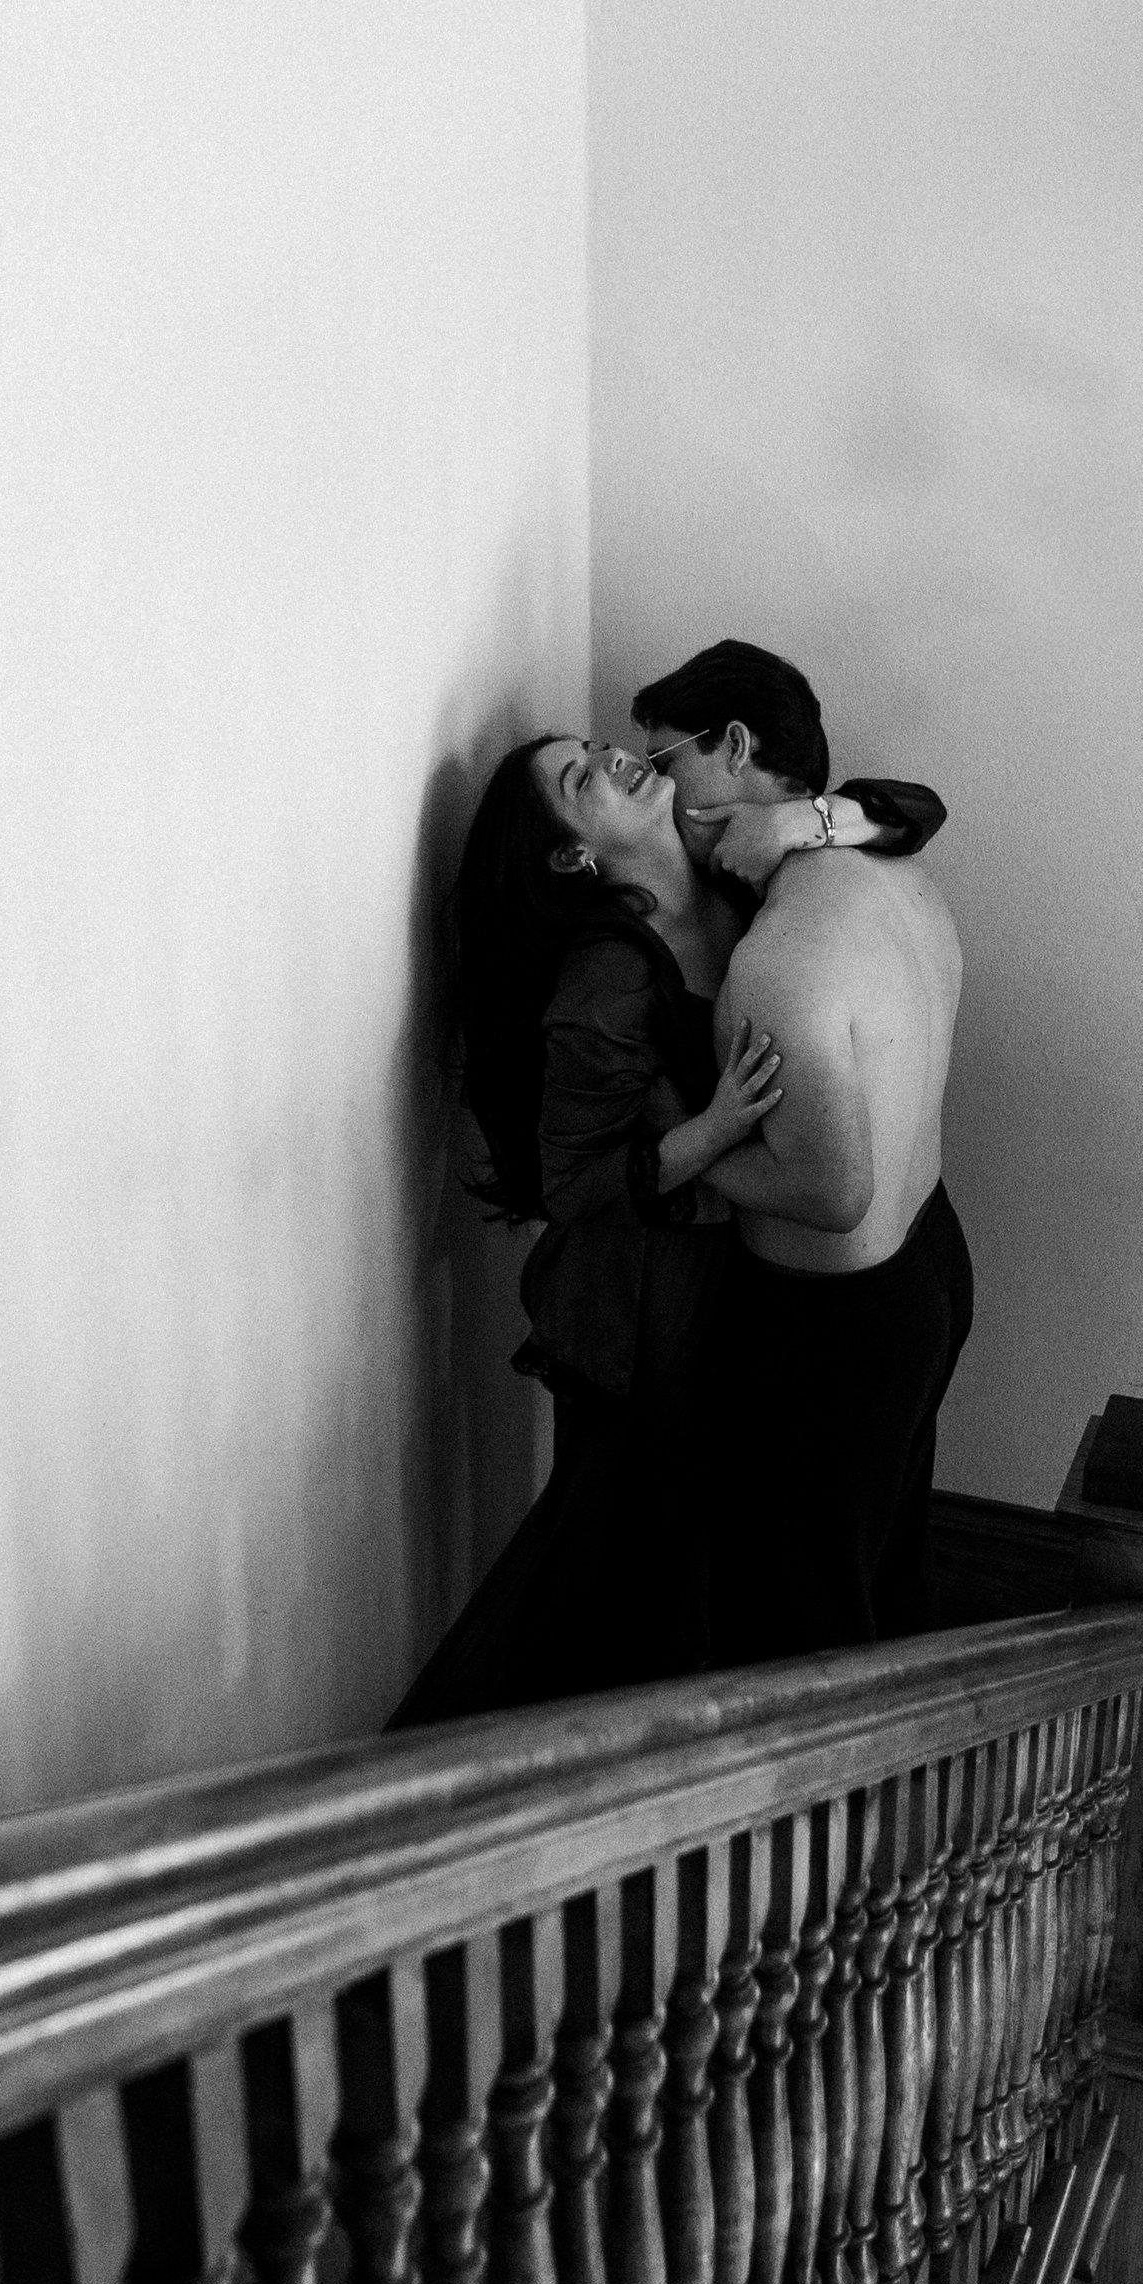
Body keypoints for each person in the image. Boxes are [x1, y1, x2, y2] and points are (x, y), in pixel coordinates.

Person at [392, 730, 920, 1720]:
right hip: (642, 1312)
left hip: (730, 1276)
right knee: (639, 1568)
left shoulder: (735, 872)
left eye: (595, 744)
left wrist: (802, 819)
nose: (610, 756)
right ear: (571, 854)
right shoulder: (608, 979)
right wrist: (715, 1131)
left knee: (716, 1555)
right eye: (577, 778)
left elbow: (910, 809)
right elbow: (572, 1183)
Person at [627, 642, 970, 1663]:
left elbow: (825, 1191)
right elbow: (910, 806)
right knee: (882, 1581)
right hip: (930, 1261)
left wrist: (679, 1146)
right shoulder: (889, 867)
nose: (659, 790)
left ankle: (838, 1823)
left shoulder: (784, 955)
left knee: (801, 1627)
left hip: (834, 1326)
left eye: (663, 761)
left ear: (733, 747)